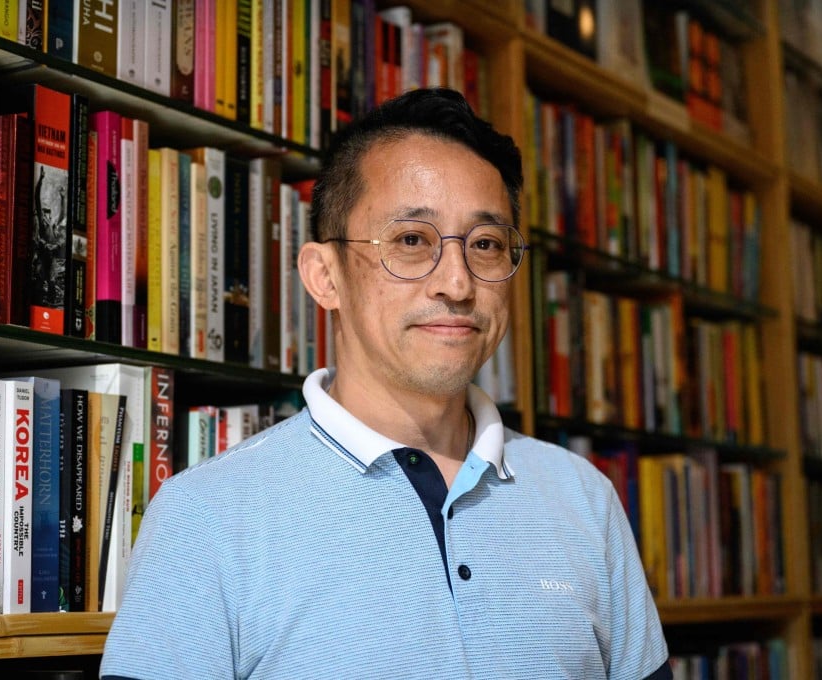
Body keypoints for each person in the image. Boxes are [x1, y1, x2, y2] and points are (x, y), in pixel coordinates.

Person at [100, 87, 671, 679]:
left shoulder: (584, 498)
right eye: (411, 240)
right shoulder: (206, 517)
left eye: (486, 245)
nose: (457, 282)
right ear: (325, 277)